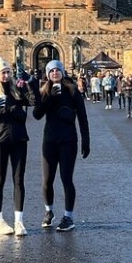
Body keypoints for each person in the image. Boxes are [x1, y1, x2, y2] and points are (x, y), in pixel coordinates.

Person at [0, 55, 36, 236]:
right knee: (0, 178)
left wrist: (27, 82)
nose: (6, 75)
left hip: (19, 140)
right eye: (3, 72)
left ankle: (19, 221)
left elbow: (33, 101)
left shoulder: (17, 90)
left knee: (19, 180)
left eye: (8, 72)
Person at [33, 60, 90, 232]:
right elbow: (36, 114)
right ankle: (48, 211)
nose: (55, 73)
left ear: (62, 72)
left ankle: (68, 217)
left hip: (68, 141)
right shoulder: (44, 91)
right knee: (47, 181)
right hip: (49, 140)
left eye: (58, 70)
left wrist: (86, 140)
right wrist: (49, 97)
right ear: (48, 75)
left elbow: (82, 117)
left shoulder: (72, 91)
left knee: (66, 179)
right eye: (52, 71)